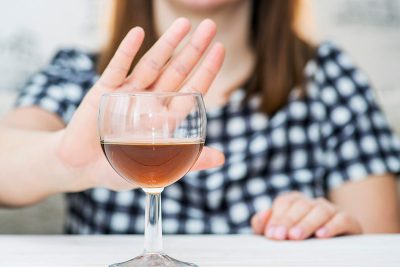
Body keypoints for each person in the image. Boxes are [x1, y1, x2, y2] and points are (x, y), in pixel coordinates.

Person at [1, 0, 400, 240]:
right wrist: (62, 161)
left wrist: (331, 230)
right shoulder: (79, 76)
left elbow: (381, 241)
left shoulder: (328, 77)